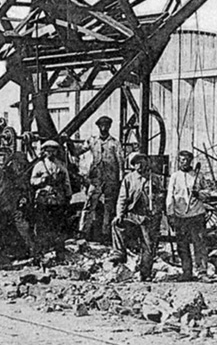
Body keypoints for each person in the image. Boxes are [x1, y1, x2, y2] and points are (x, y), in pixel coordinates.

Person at [109, 153, 163, 282]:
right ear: (133, 165)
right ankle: (119, 253)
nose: (140, 165)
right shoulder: (129, 179)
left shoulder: (154, 178)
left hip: (148, 216)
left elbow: (161, 198)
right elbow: (122, 198)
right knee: (116, 224)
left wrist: (156, 203)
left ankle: (145, 273)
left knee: (148, 245)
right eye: (136, 163)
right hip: (132, 214)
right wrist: (119, 214)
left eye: (142, 162)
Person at [0, 146, 38, 258]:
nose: (2, 158)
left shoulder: (11, 172)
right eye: (0, 155)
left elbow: (19, 187)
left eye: (5, 156)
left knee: (23, 229)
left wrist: (22, 198)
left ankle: (30, 253)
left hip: (12, 206)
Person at [79, 115, 125, 240]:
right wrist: (67, 141)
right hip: (96, 179)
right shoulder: (92, 141)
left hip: (111, 179)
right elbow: (79, 151)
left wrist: (120, 179)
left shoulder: (115, 143)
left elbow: (121, 161)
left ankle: (106, 233)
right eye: (102, 125)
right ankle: (83, 230)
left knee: (109, 207)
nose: (104, 128)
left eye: (106, 125)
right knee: (89, 204)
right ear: (98, 126)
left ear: (110, 126)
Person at [166, 150, 208, 280]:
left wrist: (198, 194)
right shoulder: (175, 177)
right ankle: (186, 272)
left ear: (190, 161)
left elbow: (207, 193)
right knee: (182, 246)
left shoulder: (198, 176)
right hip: (180, 216)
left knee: (199, 244)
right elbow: (170, 196)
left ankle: (202, 272)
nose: (183, 163)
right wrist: (170, 214)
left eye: (185, 160)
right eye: (180, 160)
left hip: (196, 214)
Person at [30, 139, 72, 248]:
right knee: (42, 224)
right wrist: (41, 180)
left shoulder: (61, 165)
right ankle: (43, 247)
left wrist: (68, 195)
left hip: (57, 198)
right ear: (44, 152)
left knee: (57, 223)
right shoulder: (39, 165)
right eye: (48, 151)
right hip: (43, 198)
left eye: (53, 151)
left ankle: (58, 247)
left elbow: (66, 182)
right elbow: (32, 181)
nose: (51, 153)